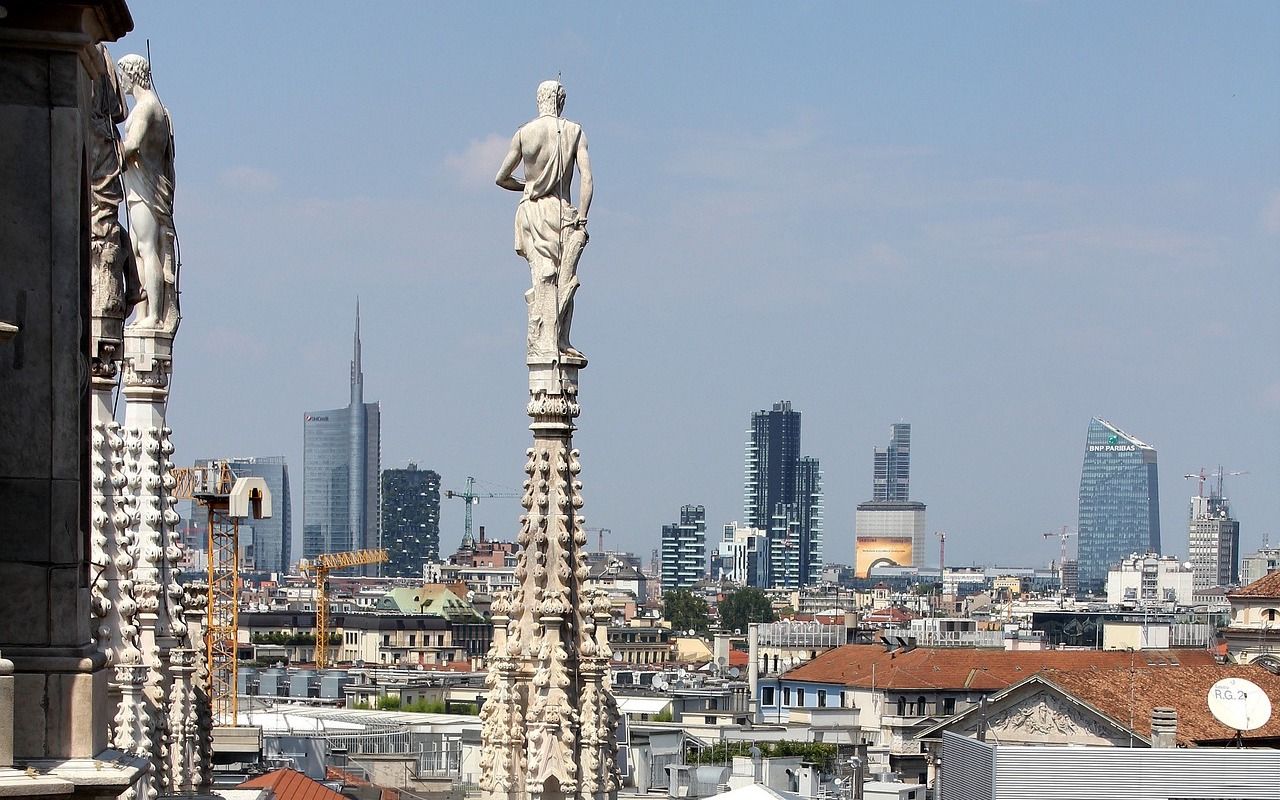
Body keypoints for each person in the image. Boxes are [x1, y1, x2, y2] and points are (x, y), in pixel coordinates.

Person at [495, 80, 593, 362]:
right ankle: (556, 341)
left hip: (532, 211)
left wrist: (528, 185)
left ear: (539, 101)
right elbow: (587, 178)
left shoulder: (524, 134)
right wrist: (583, 218)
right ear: (560, 102)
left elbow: (501, 177)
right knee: (564, 279)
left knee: (545, 277)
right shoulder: (574, 132)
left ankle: (550, 342)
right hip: (562, 212)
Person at [119, 54, 177, 331]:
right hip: (139, 186)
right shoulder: (154, 108)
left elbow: (131, 146)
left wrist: (103, 149)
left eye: (122, 74)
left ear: (131, 74)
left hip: (147, 188)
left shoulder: (146, 108)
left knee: (146, 247)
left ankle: (153, 314)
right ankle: (143, 312)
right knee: (136, 249)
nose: (120, 81)